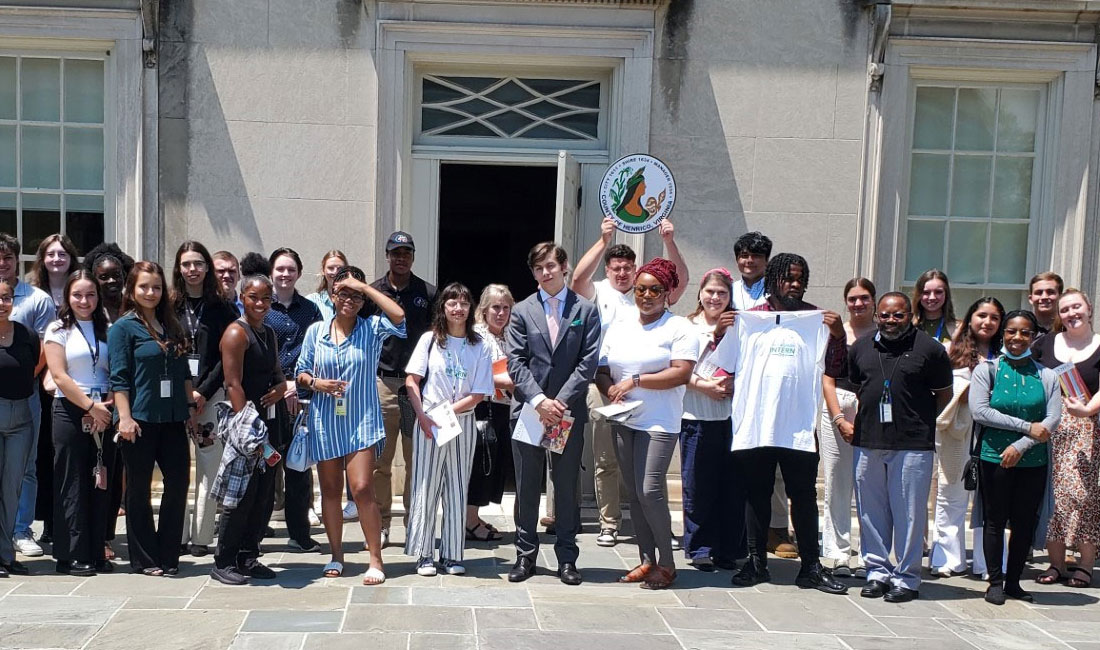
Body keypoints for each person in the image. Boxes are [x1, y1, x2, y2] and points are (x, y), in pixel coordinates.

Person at [714, 253, 848, 595]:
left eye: (800, 278)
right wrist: (720, 332)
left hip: (799, 427)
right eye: (788, 277)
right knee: (755, 494)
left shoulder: (815, 319)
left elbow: (834, 367)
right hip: (757, 425)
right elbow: (723, 365)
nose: (794, 284)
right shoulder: (749, 319)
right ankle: (757, 563)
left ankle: (811, 568)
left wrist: (838, 335)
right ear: (773, 278)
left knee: (803, 496)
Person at [571, 217, 688, 547]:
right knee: (606, 459)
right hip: (606, 385)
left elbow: (679, 283)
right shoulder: (600, 292)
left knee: (651, 469)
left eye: (628, 268)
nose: (622, 274)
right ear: (608, 270)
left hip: (650, 394)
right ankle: (609, 523)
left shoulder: (650, 292)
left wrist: (669, 241)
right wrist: (603, 240)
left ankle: (657, 528)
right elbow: (578, 278)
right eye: (616, 268)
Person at [296, 265, 405, 584]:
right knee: (330, 490)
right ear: (332, 295)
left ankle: (375, 559)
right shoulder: (316, 331)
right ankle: (336, 555)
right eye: (344, 293)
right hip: (325, 420)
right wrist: (316, 383)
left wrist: (365, 287)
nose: (350, 300)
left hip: (362, 420)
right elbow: (301, 372)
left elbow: (399, 316)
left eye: (356, 296)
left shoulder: (372, 328)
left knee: (361, 489)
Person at [596, 258, 697, 589]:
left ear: (668, 292)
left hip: (659, 422)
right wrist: (609, 387)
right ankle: (646, 560)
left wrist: (636, 380)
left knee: (650, 489)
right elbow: (603, 368)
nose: (647, 295)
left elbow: (681, 372)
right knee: (635, 495)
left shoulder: (679, 327)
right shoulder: (621, 325)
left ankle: (667, 564)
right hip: (624, 419)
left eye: (655, 289)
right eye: (641, 289)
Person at [506, 242, 601, 585]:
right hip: (531, 411)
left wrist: (557, 402)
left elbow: (587, 362)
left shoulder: (586, 310)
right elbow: (515, 361)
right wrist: (539, 401)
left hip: (566, 411)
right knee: (527, 486)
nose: (545, 272)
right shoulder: (521, 310)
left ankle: (566, 558)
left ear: (564, 267)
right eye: (538, 268)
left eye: (550, 266)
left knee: (565, 487)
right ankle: (525, 555)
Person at [849, 292, 953, 603]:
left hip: (912, 444)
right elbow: (859, 386)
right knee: (870, 512)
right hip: (868, 441)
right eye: (885, 315)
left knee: (909, 513)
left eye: (899, 315)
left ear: (910, 316)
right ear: (876, 315)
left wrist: (917, 420)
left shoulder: (930, 349)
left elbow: (943, 394)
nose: (891, 321)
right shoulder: (861, 347)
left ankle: (907, 578)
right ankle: (878, 572)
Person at [108, 261, 196, 576]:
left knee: (178, 484)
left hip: (173, 419)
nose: (150, 292)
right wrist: (125, 417)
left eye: (156, 287)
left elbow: (184, 372)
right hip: (139, 421)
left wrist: (190, 410)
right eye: (144, 286)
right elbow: (119, 378)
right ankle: (145, 558)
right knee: (139, 489)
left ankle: (169, 554)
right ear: (132, 290)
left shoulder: (171, 325)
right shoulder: (122, 327)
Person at [970, 309, 1060, 604]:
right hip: (994, 457)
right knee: (994, 520)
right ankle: (994, 581)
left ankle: (1013, 582)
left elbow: (1051, 421)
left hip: (1033, 460)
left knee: (1025, 522)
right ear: (1003, 334)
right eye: (1011, 331)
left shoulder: (1047, 376)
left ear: (1034, 337)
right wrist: (1025, 427)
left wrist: (1021, 445)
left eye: (1025, 332)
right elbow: (981, 412)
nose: (1018, 338)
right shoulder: (988, 370)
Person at [404, 283, 493, 576]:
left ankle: (453, 554)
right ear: (443, 307)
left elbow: (479, 392)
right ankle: (424, 554)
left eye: (464, 303)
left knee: (456, 487)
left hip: (462, 422)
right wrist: (424, 416)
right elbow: (412, 380)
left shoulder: (480, 344)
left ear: (471, 308)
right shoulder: (430, 340)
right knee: (426, 485)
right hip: (429, 421)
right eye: (452, 303)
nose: (458, 309)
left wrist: (446, 414)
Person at [210, 274, 291, 585]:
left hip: (270, 421)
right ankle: (224, 560)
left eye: (266, 298)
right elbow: (232, 383)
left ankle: (248, 555)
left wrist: (283, 386)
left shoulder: (268, 333)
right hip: (247, 426)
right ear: (242, 297)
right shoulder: (235, 333)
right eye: (254, 297)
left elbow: (276, 372)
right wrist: (249, 427)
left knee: (263, 494)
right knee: (240, 494)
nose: (260, 303)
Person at [43, 270, 115, 576]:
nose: (84, 301)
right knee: (71, 482)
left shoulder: (108, 328)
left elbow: (115, 370)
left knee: (99, 481)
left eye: (90, 295)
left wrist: (105, 406)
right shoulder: (57, 329)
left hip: (103, 410)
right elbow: (58, 375)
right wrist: (89, 406)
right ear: (67, 297)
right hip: (71, 409)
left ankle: (96, 548)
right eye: (77, 295)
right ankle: (70, 554)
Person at [367, 232, 436, 548]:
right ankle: (382, 525)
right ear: (387, 255)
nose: (401, 258)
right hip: (383, 383)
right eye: (395, 253)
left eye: (406, 253)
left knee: (415, 461)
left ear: (413, 256)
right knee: (380, 462)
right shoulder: (374, 292)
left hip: (415, 387)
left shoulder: (427, 293)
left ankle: (415, 524)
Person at [729, 231, 795, 558]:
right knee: (736, 459)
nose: (748, 261)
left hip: (770, 382)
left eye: (755, 256)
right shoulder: (726, 291)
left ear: (766, 260)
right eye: (743, 255)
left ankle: (777, 529)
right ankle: (736, 528)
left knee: (774, 456)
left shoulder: (780, 292)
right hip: (732, 383)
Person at [172, 241, 239, 557]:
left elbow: (224, 359)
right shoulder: (169, 304)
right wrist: (184, 393)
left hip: (208, 397)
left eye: (198, 263)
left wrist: (202, 393)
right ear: (179, 268)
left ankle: (200, 536)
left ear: (207, 268)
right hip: (172, 398)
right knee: (177, 468)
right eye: (186, 264)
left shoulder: (222, 308)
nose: (192, 270)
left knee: (209, 469)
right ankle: (178, 534)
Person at [930, 297, 1004, 578]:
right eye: (981, 315)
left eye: (994, 317)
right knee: (951, 494)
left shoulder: (1008, 353)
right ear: (970, 318)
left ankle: (990, 563)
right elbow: (940, 389)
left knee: (991, 499)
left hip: (995, 433)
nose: (987, 322)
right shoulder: (951, 352)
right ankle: (948, 559)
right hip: (958, 431)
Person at [1033, 289, 1100, 588]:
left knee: (1084, 496)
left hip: (1087, 427)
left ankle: (1085, 565)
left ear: (1089, 310)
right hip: (1049, 426)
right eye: (1065, 310)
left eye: (1077, 307)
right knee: (1051, 496)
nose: (1072, 314)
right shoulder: (1046, 343)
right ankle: (1056, 563)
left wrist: (1087, 410)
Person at [678, 268, 739, 571]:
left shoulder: (741, 326)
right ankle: (699, 547)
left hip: (730, 418)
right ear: (700, 294)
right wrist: (705, 386)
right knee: (697, 485)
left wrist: (732, 385)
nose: (715, 298)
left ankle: (726, 549)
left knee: (728, 487)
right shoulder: (687, 326)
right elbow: (677, 370)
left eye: (722, 293)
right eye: (710, 292)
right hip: (695, 415)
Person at [0, 233, 55, 560]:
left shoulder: (37, 299)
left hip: (27, 395)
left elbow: (46, 348)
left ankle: (21, 530)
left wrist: (20, 379)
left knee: (27, 464)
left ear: (16, 261)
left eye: (8, 257)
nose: (2, 263)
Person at [266, 247, 324, 552]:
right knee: (264, 466)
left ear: (299, 273)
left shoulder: (310, 310)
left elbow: (316, 351)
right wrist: (280, 384)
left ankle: (299, 535)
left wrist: (296, 384)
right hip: (269, 398)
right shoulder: (263, 307)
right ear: (271, 272)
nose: (285, 274)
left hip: (301, 400)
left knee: (299, 470)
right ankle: (256, 531)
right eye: (279, 269)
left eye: (290, 269)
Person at [819, 277, 876, 577]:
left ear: (874, 300)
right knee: (837, 482)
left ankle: (871, 554)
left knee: (869, 483)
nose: (858, 303)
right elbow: (826, 377)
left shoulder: (883, 333)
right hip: (836, 404)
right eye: (853, 298)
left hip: (872, 407)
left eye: (864, 297)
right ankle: (839, 553)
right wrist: (838, 416)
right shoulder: (833, 333)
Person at [82, 242, 133, 560]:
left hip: (129, 400)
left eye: (116, 275)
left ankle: (108, 535)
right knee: (96, 471)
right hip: (98, 401)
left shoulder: (133, 309)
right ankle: (94, 534)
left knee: (117, 474)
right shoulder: (90, 314)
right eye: (104, 277)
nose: (112, 281)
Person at [29, 234, 80, 546]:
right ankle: (46, 521)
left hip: (73, 383)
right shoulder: (33, 294)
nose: (57, 259)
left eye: (63, 254)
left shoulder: (84, 291)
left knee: (66, 457)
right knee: (43, 456)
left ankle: (63, 519)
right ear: (42, 259)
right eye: (51, 254)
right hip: (39, 386)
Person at [466, 283, 515, 541]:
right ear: (484, 309)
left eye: (506, 307)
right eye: (496, 307)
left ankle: (473, 516)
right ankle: (469, 521)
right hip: (481, 409)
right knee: (479, 464)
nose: (501, 312)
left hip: (502, 409)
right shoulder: (476, 336)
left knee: (494, 465)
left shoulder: (510, 336)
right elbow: (475, 374)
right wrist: (509, 382)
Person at [0, 278, 42, 577]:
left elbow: (35, 368)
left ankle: (6, 555)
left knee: (12, 488)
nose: (2, 304)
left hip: (21, 416)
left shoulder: (27, 334)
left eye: (6, 297)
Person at [912, 269, 960, 345]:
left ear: (946, 294)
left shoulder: (959, 328)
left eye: (938, 292)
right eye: (926, 292)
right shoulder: (909, 327)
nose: (932, 297)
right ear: (918, 295)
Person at [305, 250, 348, 322]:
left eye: (340, 268)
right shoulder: (311, 301)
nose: (335, 272)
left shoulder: (355, 301)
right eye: (331, 268)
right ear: (323, 270)